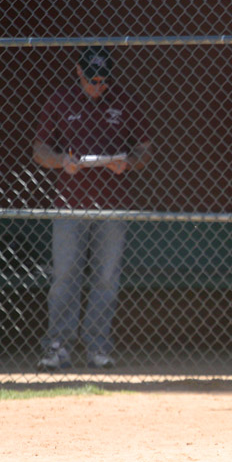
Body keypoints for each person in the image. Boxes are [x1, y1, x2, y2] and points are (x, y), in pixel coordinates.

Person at [33, 46, 152, 369]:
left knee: (106, 277)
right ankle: (58, 346)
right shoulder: (60, 99)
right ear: (78, 72)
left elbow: (146, 149)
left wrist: (128, 163)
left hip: (112, 206)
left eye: (104, 80)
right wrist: (62, 161)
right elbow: (39, 149)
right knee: (64, 276)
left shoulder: (125, 100)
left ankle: (97, 346)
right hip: (70, 204)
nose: (99, 86)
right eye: (92, 80)